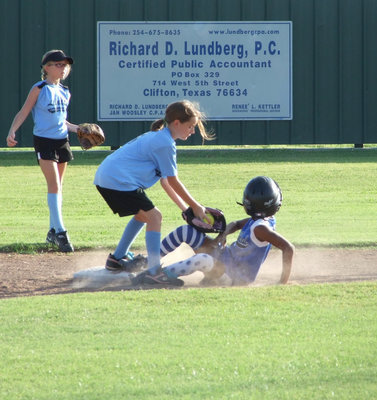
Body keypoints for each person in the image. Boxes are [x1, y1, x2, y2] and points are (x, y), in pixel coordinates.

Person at [94, 100, 214, 282]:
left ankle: (116, 259)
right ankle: (154, 272)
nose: (192, 131)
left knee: (145, 216)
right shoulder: (164, 143)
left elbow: (165, 182)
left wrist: (186, 210)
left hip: (109, 178)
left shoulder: (161, 138)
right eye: (190, 126)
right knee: (154, 217)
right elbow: (173, 181)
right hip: (117, 181)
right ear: (176, 123)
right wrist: (196, 207)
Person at [146, 176, 294, 287]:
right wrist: (222, 236)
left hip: (234, 277)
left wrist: (282, 282)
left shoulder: (261, 228)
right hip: (226, 259)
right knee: (187, 231)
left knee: (202, 259)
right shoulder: (259, 221)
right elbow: (235, 224)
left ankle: (160, 275)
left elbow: (288, 248)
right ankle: (150, 264)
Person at [6, 49, 76, 252]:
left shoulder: (65, 91)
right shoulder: (39, 88)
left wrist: (78, 128)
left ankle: (52, 230)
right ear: (46, 67)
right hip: (44, 141)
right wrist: (12, 130)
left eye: (65, 65)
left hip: (62, 140)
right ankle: (61, 232)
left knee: (59, 187)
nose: (63, 68)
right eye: (58, 64)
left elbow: (62, 121)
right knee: (53, 184)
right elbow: (24, 111)